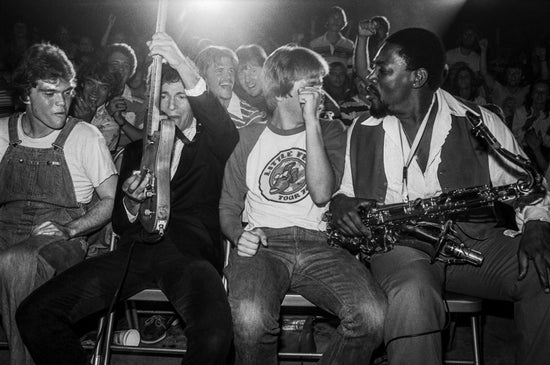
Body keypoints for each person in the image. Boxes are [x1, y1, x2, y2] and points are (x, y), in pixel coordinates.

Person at [330, 27, 550, 365]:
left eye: (382, 69)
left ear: (417, 77)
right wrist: (340, 202)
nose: (369, 76)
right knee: (414, 293)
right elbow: (346, 192)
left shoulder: (479, 121)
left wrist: (536, 224)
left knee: (543, 267)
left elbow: (529, 187)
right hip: (400, 245)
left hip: (472, 242)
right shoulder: (361, 128)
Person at [16, 32, 237, 365]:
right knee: (35, 313)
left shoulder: (213, 144)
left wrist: (178, 60)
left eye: (181, 97)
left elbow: (222, 125)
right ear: (153, 102)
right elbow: (119, 222)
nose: (172, 106)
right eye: (163, 96)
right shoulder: (137, 149)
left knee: (216, 336)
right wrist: (132, 202)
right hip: (134, 254)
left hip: (190, 256)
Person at [220, 45, 386, 365]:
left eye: (320, 84)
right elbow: (228, 204)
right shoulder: (246, 137)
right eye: (309, 85)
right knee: (251, 319)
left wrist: (312, 122)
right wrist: (239, 235)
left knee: (372, 315)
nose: (319, 92)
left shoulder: (332, 130)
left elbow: (322, 194)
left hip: (320, 244)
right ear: (281, 91)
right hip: (264, 244)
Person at [0, 42, 117, 365]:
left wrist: (70, 229)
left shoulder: (85, 136)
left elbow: (111, 200)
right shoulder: (2, 133)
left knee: (16, 261)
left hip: (61, 241)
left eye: (67, 93)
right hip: (6, 228)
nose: (62, 103)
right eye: (50, 93)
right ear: (26, 94)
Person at [196, 45, 267, 128]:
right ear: (203, 76)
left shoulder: (252, 118)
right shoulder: (192, 112)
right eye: (220, 70)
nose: (228, 77)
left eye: (231, 71)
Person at [70, 61, 122, 152]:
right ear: (83, 84)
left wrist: (85, 123)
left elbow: (88, 157)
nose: (95, 91)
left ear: (109, 92)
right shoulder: (66, 106)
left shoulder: (110, 127)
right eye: (91, 83)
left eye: (103, 88)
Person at [103, 42, 145, 147]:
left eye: (125, 65)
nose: (120, 69)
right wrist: (106, 114)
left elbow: (144, 142)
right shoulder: (93, 96)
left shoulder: (140, 104)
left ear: (131, 71)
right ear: (105, 67)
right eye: (115, 64)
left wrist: (120, 120)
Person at [309, 6, 354, 74]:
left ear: (343, 22)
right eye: (333, 17)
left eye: (339, 18)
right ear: (327, 20)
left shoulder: (349, 45)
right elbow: (311, 70)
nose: (336, 20)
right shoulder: (314, 44)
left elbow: (350, 71)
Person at [235, 44, 268, 113]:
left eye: (253, 71)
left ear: (265, 69)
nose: (247, 79)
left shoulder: (281, 100)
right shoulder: (236, 108)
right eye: (241, 74)